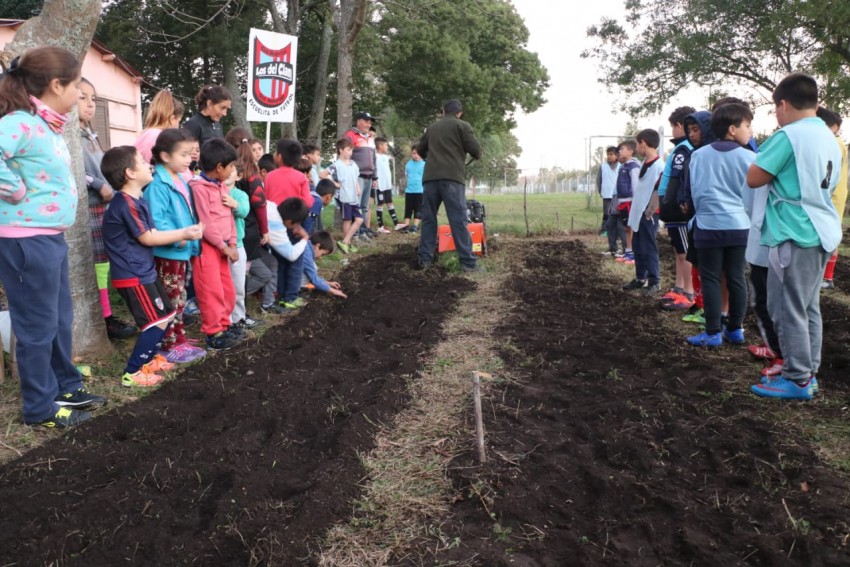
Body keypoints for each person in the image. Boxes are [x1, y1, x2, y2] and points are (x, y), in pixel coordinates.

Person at [0, 47, 106, 427]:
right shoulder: (19, 122)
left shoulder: (46, 124)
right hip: (25, 241)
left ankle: (66, 386)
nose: (80, 94)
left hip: (48, 238)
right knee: (36, 325)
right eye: (77, 85)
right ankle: (39, 407)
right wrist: (11, 189)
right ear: (57, 84)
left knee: (59, 318)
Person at [748, 73, 840, 400]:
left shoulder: (789, 136)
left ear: (783, 104)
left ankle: (797, 378)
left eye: (776, 108)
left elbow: (755, 177)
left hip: (794, 230)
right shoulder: (829, 136)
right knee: (807, 306)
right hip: (822, 229)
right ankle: (808, 372)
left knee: (787, 307)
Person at [101, 146, 204, 386]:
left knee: (167, 315)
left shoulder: (137, 200)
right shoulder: (125, 204)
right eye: (143, 161)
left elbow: (154, 232)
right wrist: (185, 233)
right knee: (156, 321)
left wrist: (180, 236)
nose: (150, 164)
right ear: (130, 173)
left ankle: (152, 359)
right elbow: (147, 237)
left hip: (144, 271)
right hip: (133, 274)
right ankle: (133, 372)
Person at [683, 103, 754, 348]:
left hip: (708, 225)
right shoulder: (750, 157)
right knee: (736, 276)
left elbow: (693, 190)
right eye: (747, 125)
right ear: (733, 129)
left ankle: (712, 332)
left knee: (710, 277)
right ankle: (735, 329)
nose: (750, 131)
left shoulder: (699, 155)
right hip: (739, 225)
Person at [141, 128, 207, 363]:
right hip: (167, 252)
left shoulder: (179, 178)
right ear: (165, 156)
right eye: (184, 154)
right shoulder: (158, 185)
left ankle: (179, 338)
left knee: (180, 296)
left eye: (190, 154)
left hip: (181, 250)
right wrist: (180, 236)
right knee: (170, 298)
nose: (189, 159)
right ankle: (168, 344)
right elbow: (156, 222)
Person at [79, 77, 136, 340]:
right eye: (82, 97)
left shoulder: (90, 133)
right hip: (90, 208)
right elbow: (75, 169)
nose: (90, 104)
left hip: (106, 205)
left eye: (93, 98)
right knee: (99, 265)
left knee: (107, 262)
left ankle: (111, 312)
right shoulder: (71, 136)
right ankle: (106, 318)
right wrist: (96, 183)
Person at [189, 138, 242, 350]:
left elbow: (228, 216)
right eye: (231, 167)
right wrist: (223, 246)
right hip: (208, 249)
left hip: (223, 247)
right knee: (211, 291)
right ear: (219, 167)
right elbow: (206, 223)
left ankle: (224, 325)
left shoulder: (220, 186)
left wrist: (232, 242)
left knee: (227, 290)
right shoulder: (199, 188)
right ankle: (214, 333)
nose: (233, 171)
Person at [417, 99, 482, 271]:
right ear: (459, 113)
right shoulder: (462, 126)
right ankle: (468, 264)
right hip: (452, 179)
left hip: (430, 179)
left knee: (429, 219)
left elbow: (420, 149)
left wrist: (431, 158)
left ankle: (425, 260)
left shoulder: (432, 128)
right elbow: (476, 151)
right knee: (458, 220)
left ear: (443, 111)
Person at [657, 106, 697, 309]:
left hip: (676, 208)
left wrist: (670, 201)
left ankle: (689, 293)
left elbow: (678, 179)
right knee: (677, 249)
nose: (673, 131)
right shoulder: (680, 149)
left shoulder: (684, 149)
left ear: (680, 126)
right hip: (670, 209)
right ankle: (679, 288)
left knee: (685, 252)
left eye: (673, 126)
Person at [623, 129, 665, 293]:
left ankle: (655, 281)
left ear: (643, 143)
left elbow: (658, 191)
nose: (636, 147)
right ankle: (641, 277)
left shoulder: (659, 166)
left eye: (638, 143)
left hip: (650, 214)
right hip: (638, 212)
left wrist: (650, 211)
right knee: (638, 245)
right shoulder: (644, 164)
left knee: (649, 246)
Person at [816, 107, 848, 290]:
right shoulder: (836, 142)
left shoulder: (833, 143)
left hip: (831, 197)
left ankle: (826, 277)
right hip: (835, 196)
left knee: (828, 237)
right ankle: (825, 277)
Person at [267, 197, 310, 309]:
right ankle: (289, 298)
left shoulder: (271, 205)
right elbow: (291, 255)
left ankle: (281, 295)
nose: (297, 227)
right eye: (297, 224)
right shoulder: (276, 227)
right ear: (290, 221)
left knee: (278, 262)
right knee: (288, 259)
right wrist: (305, 238)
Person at [321, 137, 362, 254]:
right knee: (347, 220)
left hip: (353, 197)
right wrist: (335, 183)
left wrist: (357, 187)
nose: (350, 152)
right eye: (348, 150)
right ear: (341, 150)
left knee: (359, 219)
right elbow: (322, 174)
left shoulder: (353, 163)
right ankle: (347, 244)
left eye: (351, 150)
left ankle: (345, 242)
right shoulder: (336, 165)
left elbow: (355, 177)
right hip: (344, 197)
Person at [344, 112, 378, 234]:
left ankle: (363, 229)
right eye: (366, 121)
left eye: (370, 122)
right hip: (357, 176)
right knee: (356, 205)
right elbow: (345, 156)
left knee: (365, 206)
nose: (368, 124)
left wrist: (375, 177)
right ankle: (355, 231)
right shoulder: (350, 136)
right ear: (358, 121)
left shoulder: (370, 137)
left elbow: (374, 158)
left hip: (369, 175)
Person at [135, 90, 185, 163]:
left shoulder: (145, 135)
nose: (178, 126)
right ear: (173, 118)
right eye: (179, 121)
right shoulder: (163, 138)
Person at [264, 138, 313, 209]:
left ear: (279, 157)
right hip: (294, 216)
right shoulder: (301, 177)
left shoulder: (269, 176)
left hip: (274, 216)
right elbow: (307, 203)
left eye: (275, 152)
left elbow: (266, 199)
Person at [614, 140, 640, 264]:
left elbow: (636, 185)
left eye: (622, 149)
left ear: (630, 151)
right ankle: (628, 252)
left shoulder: (633, 166)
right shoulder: (624, 165)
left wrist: (636, 202)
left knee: (631, 228)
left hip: (630, 202)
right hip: (623, 201)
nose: (619, 151)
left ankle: (634, 254)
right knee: (627, 228)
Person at [183, 85, 231, 149]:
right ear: (209, 104)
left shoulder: (217, 125)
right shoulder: (193, 125)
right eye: (222, 108)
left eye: (227, 109)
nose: (225, 113)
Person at [303, 231, 348, 299]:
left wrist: (328, 283)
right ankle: (299, 290)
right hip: (286, 282)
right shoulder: (306, 254)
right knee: (313, 268)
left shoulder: (306, 246)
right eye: (322, 254)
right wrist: (333, 291)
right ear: (317, 246)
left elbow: (313, 276)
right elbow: (314, 279)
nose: (320, 257)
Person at [598, 146, 623, 254]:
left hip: (618, 198)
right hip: (607, 196)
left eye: (611, 154)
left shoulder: (621, 167)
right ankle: (612, 246)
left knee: (619, 221)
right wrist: (601, 191)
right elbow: (599, 180)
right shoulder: (603, 167)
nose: (609, 156)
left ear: (616, 155)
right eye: (608, 154)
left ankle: (622, 246)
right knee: (609, 220)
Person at [395, 145, 425, 233]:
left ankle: (415, 226)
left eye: (418, 153)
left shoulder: (424, 164)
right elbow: (407, 176)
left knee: (418, 209)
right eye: (414, 153)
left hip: (420, 191)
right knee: (408, 209)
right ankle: (406, 225)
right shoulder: (408, 164)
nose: (415, 155)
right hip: (409, 191)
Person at [374, 136, 400, 232]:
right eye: (386, 145)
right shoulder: (375, 156)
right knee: (380, 204)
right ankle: (380, 226)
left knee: (389, 202)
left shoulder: (386, 156)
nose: (387, 147)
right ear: (380, 146)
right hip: (379, 185)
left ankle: (396, 224)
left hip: (387, 185)